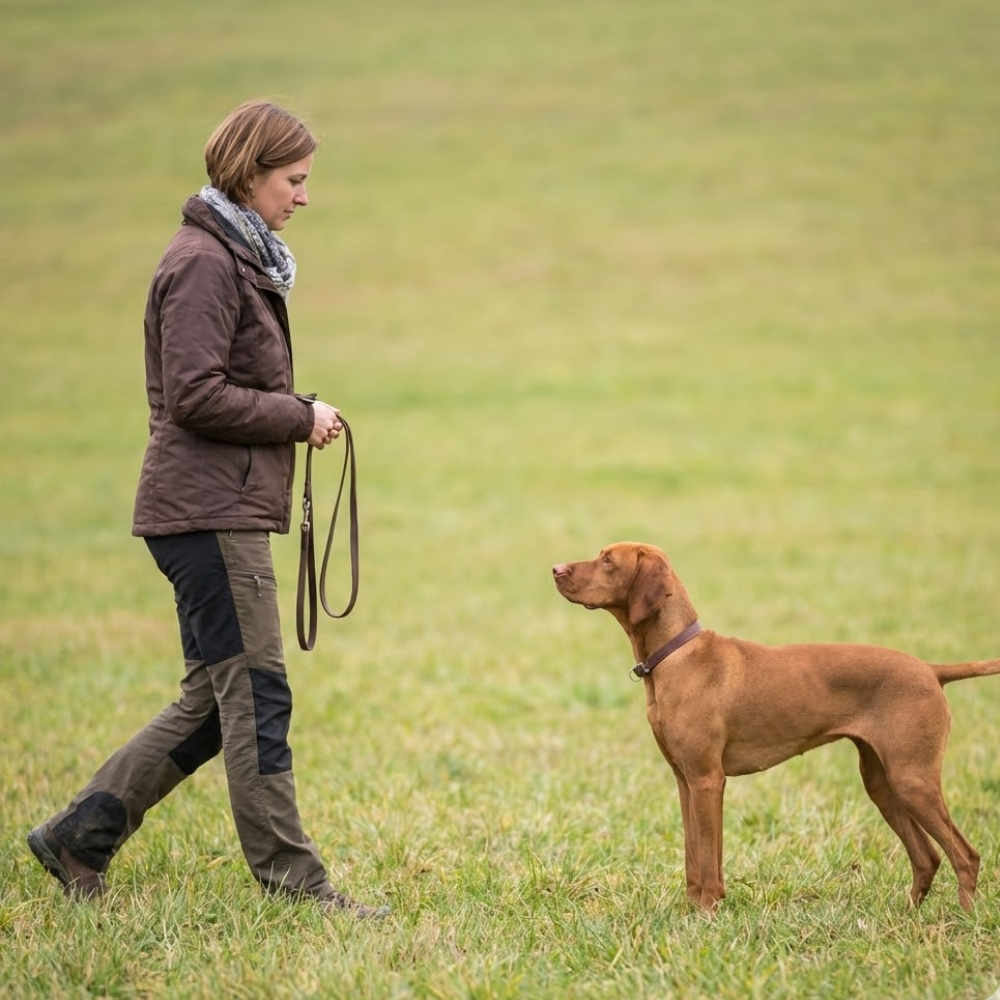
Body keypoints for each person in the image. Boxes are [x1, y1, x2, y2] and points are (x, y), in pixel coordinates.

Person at [28, 100, 387, 920]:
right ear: (250, 173)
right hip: (209, 516)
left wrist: (294, 410)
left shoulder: (229, 255)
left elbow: (215, 384)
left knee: (215, 700)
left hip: (211, 509)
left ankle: (78, 838)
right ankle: (296, 886)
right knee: (256, 695)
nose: (303, 196)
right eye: (293, 180)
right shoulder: (204, 262)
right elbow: (193, 394)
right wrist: (298, 415)